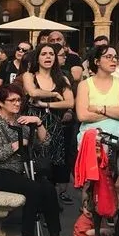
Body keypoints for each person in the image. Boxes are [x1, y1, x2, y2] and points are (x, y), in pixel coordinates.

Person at [0, 84, 68, 236]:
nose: (17, 103)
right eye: (12, 100)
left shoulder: (21, 121)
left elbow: (45, 143)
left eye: (19, 99)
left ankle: (54, 235)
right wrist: (21, 143)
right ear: (0, 102)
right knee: (33, 188)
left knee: (48, 187)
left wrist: (38, 123)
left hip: (19, 170)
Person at [21, 43, 76, 204]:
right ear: (37, 57)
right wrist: (53, 94)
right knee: (36, 165)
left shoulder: (62, 78)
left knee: (52, 167)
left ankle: (49, 206)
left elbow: (70, 102)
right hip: (33, 124)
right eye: (44, 54)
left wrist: (46, 104)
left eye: (51, 54)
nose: (48, 57)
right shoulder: (29, 75)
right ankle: (35, 203)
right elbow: (32, 92)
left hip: (54, 124)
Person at [76, 45, 119, 145]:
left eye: (115, 57)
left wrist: (100, 109)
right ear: (97, 62)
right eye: (108, 56)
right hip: (91, 141)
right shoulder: (84, 85)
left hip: (118, 141)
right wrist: (115, 114)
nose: (114, 60)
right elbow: (83, 116)